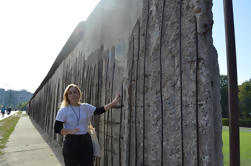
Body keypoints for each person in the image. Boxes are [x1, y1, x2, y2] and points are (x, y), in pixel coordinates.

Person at [54, 83, 120, 166]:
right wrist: (70, 131)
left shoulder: (85, 107)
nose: (73, 94)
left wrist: (113, 103)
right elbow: (57, 129)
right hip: (71, 143)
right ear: (67, 96)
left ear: (79, 94)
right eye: (70, 93)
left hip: (85, 142)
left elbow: (99, 110)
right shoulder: (63, 111)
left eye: (75, 92)